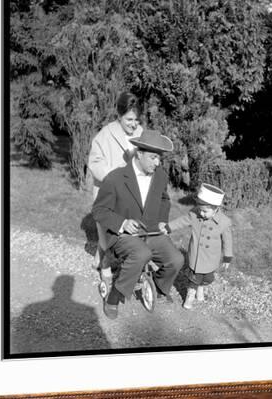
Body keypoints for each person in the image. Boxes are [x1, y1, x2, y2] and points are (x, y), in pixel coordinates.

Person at [92, 129, 184, 319]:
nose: (157, 163)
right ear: (139, 154)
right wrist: (122, 223)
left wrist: (161, 220)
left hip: (151, 232)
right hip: (123, 235)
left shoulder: (160, 176)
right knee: (141, 253)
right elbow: (99, 210)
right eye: (153, 158)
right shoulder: (115, 178)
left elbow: (165, 199)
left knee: (176, 259)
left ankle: (157, 288)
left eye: (159, 158)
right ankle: (114, 297)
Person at [87, 93, 143, 286]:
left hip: (129, 194)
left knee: (124, 230)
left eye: (136, 119)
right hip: (107, 192)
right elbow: (94, 162)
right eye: (129, 119)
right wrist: (113, 176)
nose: (134, 124)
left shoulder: (140, 133)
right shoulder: (105, 134)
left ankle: (108, 257)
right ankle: (105, 265)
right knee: (105, 228)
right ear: (119, 116)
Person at [160, 183, 233, 310]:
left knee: (208, 277)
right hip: (196, 256)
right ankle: (190, 295)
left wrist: (227, 257)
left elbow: (228, 240)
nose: (202, 213)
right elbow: (182, 221)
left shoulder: (224, 222)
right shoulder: (195, 214)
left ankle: (201, 289)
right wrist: (169, 227)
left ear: (216, 209)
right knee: (194, 278)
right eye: (200, 209)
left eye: (205, 211)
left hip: (211, 257)